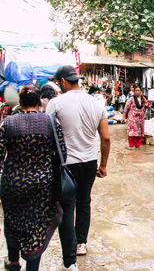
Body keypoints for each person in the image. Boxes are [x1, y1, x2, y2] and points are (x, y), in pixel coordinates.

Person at [46, 65, 110, 271]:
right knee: (84, 202)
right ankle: (82, 243)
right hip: (90, 162)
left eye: (58, 82)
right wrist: (104, 164)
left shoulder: (55, 103)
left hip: (66, 164)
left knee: (66, 207)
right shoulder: (97, 103)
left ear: (63, 82)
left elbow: (49, 138)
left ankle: (70, 254)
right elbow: (106, 138)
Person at [0, 86, 64, 271]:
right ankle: (32, 267)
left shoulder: (8, 123)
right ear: (39, 102)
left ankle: (13, 262)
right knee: (36, 226)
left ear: (20, 103)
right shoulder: (51, 122)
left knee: (12, 221)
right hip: (42, 186)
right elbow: (62, 155)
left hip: (12, 184)